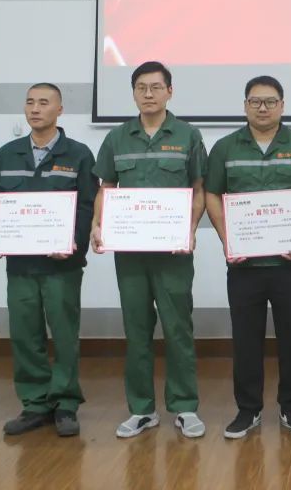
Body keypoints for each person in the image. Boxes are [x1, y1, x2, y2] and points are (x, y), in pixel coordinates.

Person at [90, 61, 208, 438]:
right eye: (141, 87)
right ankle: (141, 409)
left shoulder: (188, 135)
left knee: (178, 329)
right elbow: (107, 187)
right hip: (130, 255)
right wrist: (97, 224)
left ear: (169, 92)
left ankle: (185, 406)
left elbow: (199, 189)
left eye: (156, 87)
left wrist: (190, 229)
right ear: (133, 93)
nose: (149, 94)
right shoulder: (117, 137)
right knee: (137, 330)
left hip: (174, 255)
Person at [204, 76, 291, 439]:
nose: (262, 108)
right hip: (245, 266)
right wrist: (228, 240)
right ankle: (248, 409)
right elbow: (212, 194)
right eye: (255, 101)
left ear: (282, 106)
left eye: (270, 101)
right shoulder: (225, 148)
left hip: (289, 264)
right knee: (245, 340)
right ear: (245, 106)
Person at [0, 83, 98, 437]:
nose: (35, 109)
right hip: (20, 266)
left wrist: (73, 245)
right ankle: (35, 403)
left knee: (64, 335)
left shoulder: (78, 154)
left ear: (60, 110)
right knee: (24, 334)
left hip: (61, 266)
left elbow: (87, 206)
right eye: (30, 102)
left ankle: (65, 403)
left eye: (44, 103)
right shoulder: (7, 155)